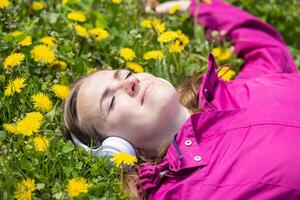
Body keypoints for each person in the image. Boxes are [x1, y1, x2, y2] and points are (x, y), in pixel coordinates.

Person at [63, 0, 300, 199]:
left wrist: (192, 7)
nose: (129, 82)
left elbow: (269, 49)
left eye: (125, 74)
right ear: (115, 148)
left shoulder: (224, 92)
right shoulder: (184, 191)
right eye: (111, 102)